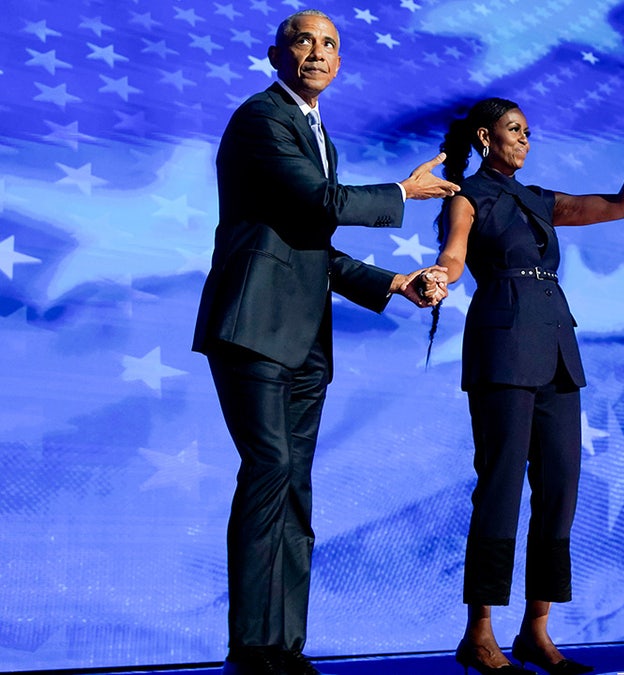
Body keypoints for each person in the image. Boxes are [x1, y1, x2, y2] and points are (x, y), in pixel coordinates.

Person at [191, 10, 460, 675]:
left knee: (296, 489)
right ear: (276, 54)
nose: (317, 52)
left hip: (306, 338)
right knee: (270, 471)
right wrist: (404, 190)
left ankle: (285, 646)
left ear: (339, 63)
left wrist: (395, 281)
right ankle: (250, 647)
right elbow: (321, 204)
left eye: (330, 44)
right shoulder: (262, 118)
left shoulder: (318, 134)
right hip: (253, 326)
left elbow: (315, 246)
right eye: (304, 40)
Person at [430, 73, 624, 675]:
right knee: (501, 490)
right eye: (514, 131)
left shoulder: (537, 198)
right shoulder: (467, 195)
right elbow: (454, 257)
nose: (525, 141)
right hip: (503, 351)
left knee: (559, 492)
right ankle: (478, 633)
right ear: (486, 138)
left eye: (529, 133)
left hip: (559, 351)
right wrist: (438, 277)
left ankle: (537, 631)